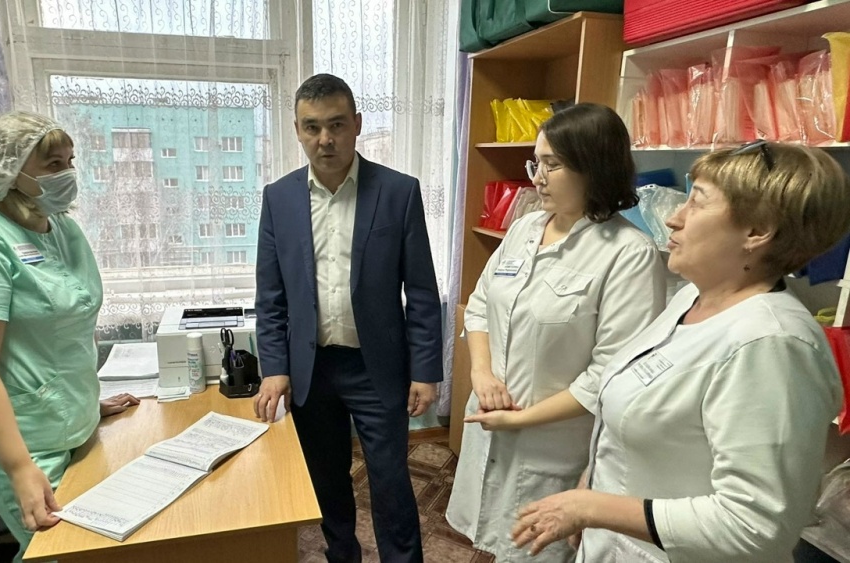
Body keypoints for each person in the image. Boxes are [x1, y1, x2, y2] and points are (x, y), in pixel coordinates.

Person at [510, 141, 850, 562]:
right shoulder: (693, 297)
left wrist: (592, 508)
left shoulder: (773, 345)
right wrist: (593, 483)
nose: (674, 217)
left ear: (757, 231)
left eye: (697, 202)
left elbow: (755, 526)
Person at [445, 103, 667, 562]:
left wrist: (519, 420)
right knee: (494, 544)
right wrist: (481, 374)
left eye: (552, 165)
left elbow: (609, 375)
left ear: (594, 167)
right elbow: (482, 304)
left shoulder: (629, 253)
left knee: (535, 550)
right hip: (490, 426)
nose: (538, 178)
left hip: (552, 449)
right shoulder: (525, 228)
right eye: (536, 163)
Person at [0, 110, 139, 560]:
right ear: (9, 171)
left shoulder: (62, 228)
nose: (68, 174)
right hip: (25, 445)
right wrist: (19, 467)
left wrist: (85, 402)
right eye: (53, 164)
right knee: (64, 552)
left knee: (91, 550)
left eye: (70, 161)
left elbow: (63, 331)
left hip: (75, 427)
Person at [253, 73, 443, 563]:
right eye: (312, 127)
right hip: (310, 369)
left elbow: (422, 292)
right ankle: (342, 555)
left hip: (375, 367)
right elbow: (270, 297)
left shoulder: (398, 192)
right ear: (297, 130)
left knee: (391, 481)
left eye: (336, 124)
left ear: (357, 124)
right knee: (326, 478)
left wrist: (425, 371)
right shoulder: (279, 198)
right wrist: (274, 368)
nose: (325, 139)